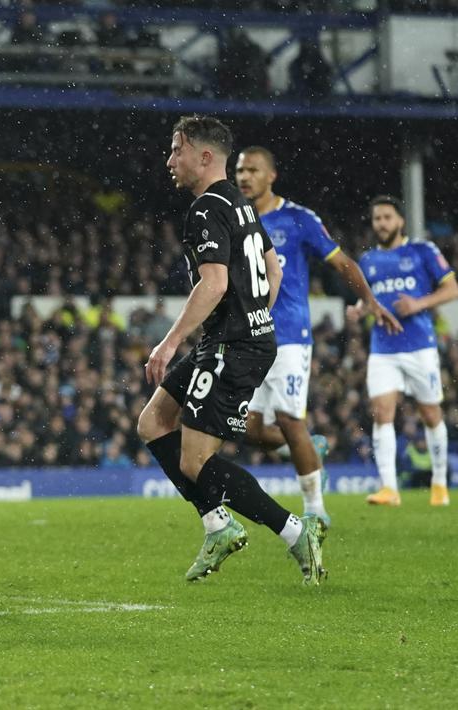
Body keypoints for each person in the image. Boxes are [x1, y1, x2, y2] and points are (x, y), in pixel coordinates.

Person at [137, 115, 325, 586]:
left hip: (230, 345)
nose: (169, 160)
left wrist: (168, 341)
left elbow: (215, 283)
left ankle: (293, 530)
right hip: (238, 339)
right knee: (154, 422)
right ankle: (217, 525)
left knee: (194, 462)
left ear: (203, 156)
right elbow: (274, 270)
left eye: (176, 149)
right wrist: (257, 319)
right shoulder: (240, 203)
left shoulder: (206, 209)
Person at [235, 146, 401, 529]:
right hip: (248, 336)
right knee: (247, 429)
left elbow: (341, 262)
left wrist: (369, 300)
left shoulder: (297, 219)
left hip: (289, 335)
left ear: (271, 175)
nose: (244, 177)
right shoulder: (233, 217)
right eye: (240, 170)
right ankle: (313, 448)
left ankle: (315, 508)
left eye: (253, 170)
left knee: (291, 421)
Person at [348, 195, 457, 507]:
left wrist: (417, 304)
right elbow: (369, 300)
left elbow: (452, 288)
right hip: (382, 349)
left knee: (431, 413)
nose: (381, 223)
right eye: (377, 218)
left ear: (400, 221)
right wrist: (359, 310)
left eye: (387, 217)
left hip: (420, 347)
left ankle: (439, 483)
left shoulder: (423, 251)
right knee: (382, 413)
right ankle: (389, 488)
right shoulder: (367, 262)